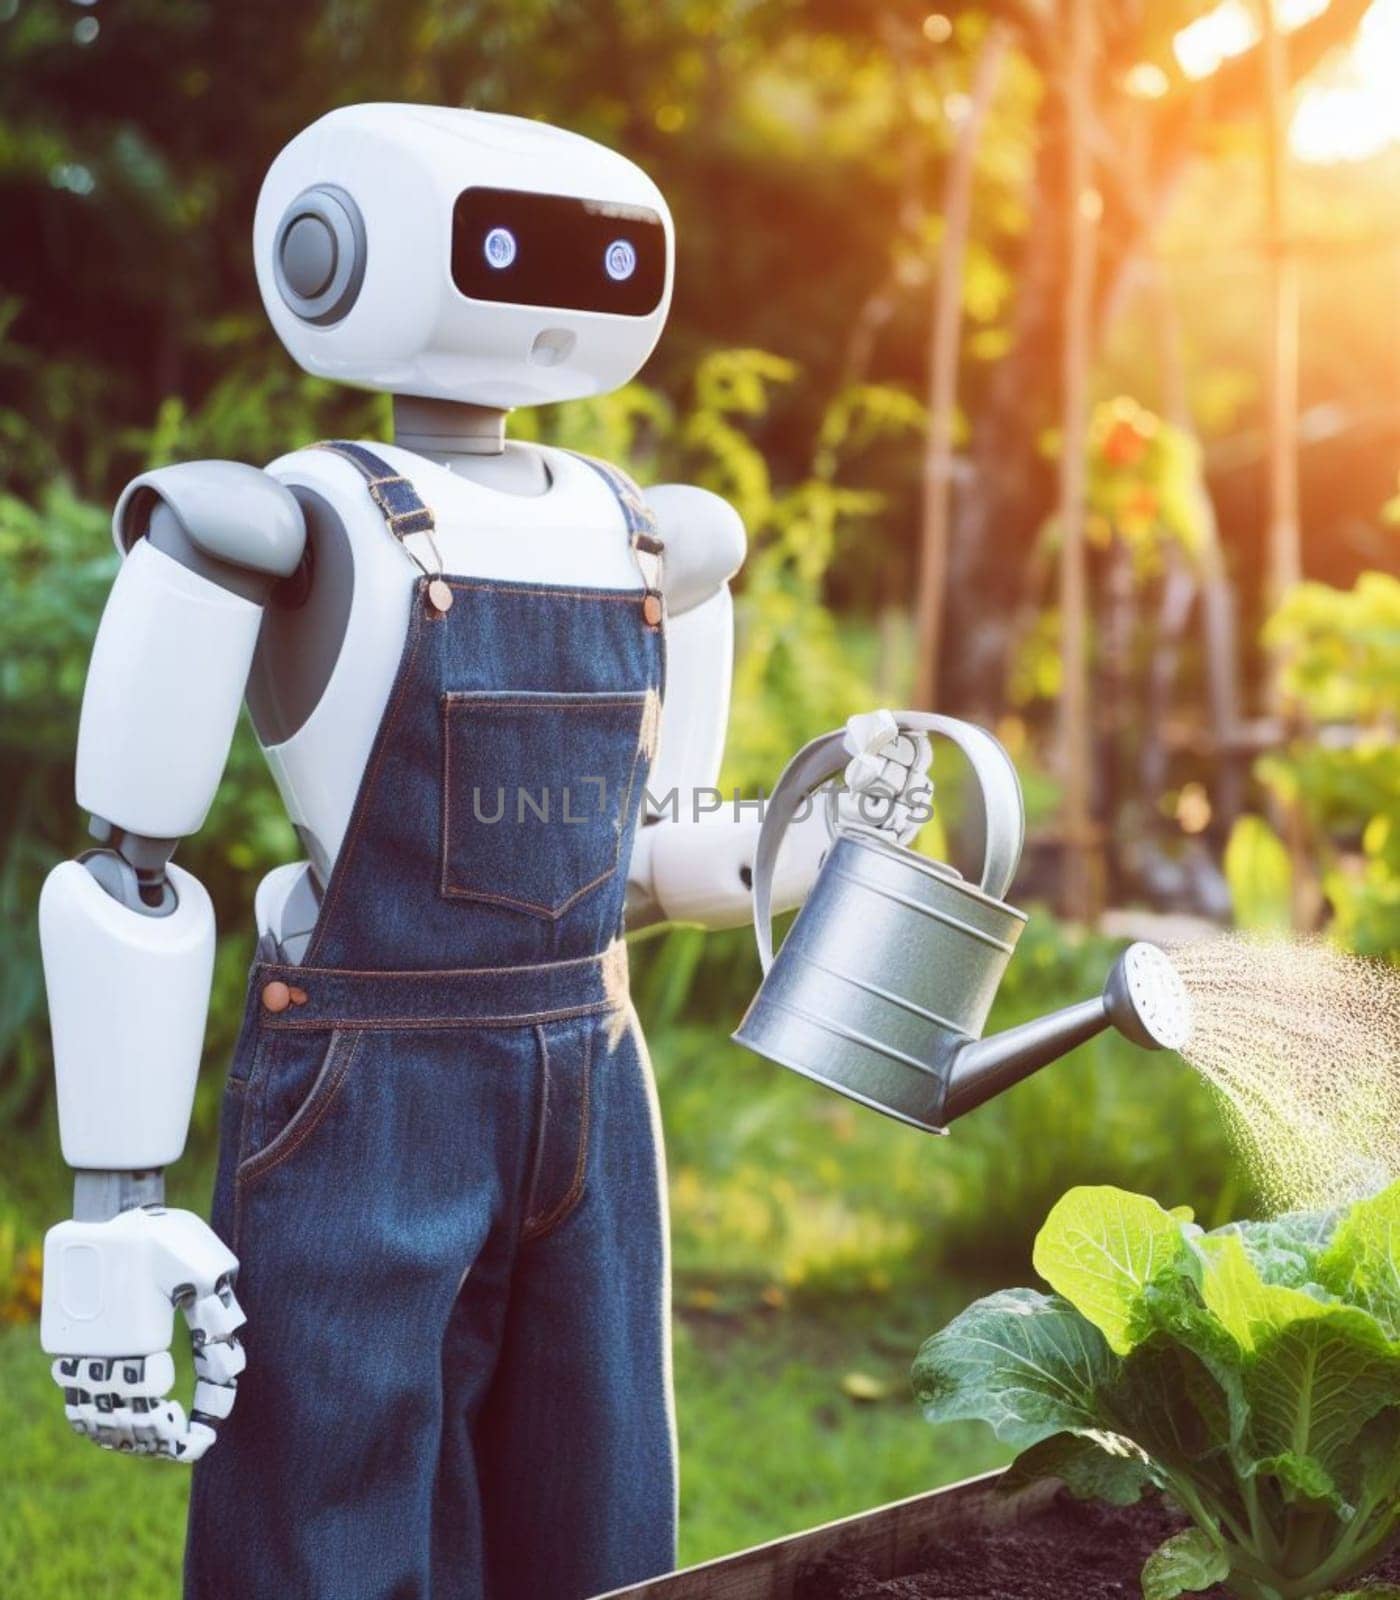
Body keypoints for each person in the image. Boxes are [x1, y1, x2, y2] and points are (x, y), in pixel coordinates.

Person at [37, 104, 933, 1600]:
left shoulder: (649, 539)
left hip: (590, 1064)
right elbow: (130, 868)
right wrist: (113, 1214)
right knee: (333, 1492)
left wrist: (802, 845)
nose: (554, 288)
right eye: (511, 246)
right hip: (368, 1082)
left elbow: (645, 853)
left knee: (594, 1501)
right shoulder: (284, 524)